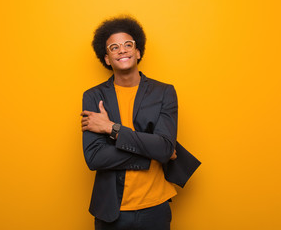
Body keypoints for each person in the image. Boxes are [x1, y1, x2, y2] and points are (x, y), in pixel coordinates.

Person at [81, 16, 201, 230]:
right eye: (114, 47)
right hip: (111, 210)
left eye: (128, 44)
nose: (122, 50)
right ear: (107, 58)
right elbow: (94, 158)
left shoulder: (164, 92)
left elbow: (164, 148)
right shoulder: (93, 96)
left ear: (138, 52)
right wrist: (151, 151)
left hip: (155, 209)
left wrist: (111, 128)